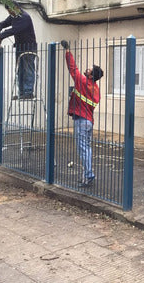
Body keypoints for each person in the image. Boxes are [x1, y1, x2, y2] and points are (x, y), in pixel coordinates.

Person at [61, 39, 104, 188]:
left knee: (83, 149)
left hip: (81, 121)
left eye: (90, 69)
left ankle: (89, 175)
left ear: (91, 75)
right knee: (87, 148)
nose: (87, 69)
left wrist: (67, 51)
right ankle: (87, 174)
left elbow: (73, 68)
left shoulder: (83, 81)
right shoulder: (95, 88)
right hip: (89, 121)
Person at [0, 2, 37, 100]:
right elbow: (5, 23)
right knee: (19, 70)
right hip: (20, 47)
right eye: (9, 12)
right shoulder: (14, 16)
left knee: (28, 69)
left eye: (11, 11)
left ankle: (28, 92)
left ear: (16, 8)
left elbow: (14, 30)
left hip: (29, 47)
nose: (10, 14)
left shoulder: (25, 17)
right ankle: (21, 93)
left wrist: (1, 36)